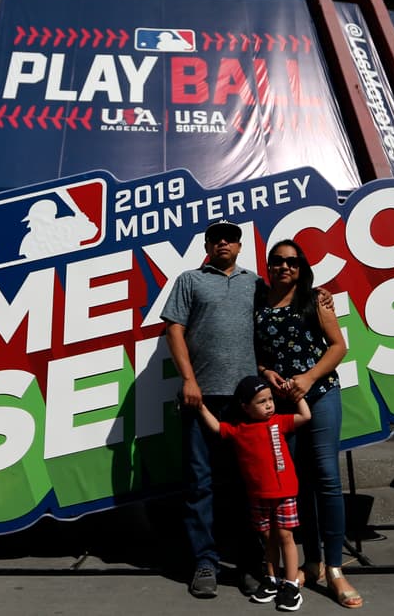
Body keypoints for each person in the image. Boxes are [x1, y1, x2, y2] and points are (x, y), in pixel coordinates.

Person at [254, 239, 363, 609]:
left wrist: (309, 378)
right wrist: (265, 371)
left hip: (319, 396)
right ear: (269, 267)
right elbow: (255, 355)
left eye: (292, 262)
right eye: (277, 262)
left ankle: (334, 568)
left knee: (328, 479)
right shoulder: (259, 305)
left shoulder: (316, 299)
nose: (284, 267)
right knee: (297, 484)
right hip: (282, 405)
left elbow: (338, 346)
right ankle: (311, 562)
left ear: (301, 268)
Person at [162, 219, 261, 598]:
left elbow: (285, 309)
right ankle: (205, 563)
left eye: (231, 239)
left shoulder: (255, 283)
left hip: (247, 402)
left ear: (239, 246)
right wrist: (188, 380)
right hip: (200, 398)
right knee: (199, 484)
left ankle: (250, 564)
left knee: (248, 483)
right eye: (217, 238)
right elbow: (174, 330)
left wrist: (322, 297)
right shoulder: (190, 280)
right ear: (207, 245)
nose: (224, 243)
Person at [199, 376, 311, 612]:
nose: (269, 405)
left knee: (285, 537)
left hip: (284, 492)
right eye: (262, 401)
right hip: (258, 495)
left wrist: (298, 396)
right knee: (268, 538)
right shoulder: (239, 430)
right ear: (245, 407)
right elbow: (217, 427)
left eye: (270, 399)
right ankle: (272, 580)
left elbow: (305, 417)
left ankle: (291, 585)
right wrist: (200, 407)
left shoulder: (279, 422)